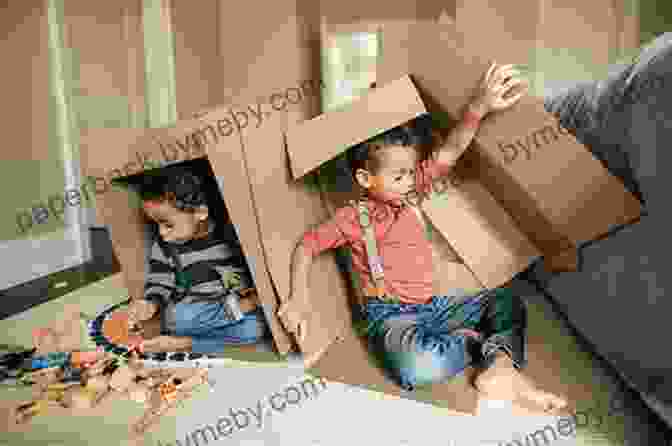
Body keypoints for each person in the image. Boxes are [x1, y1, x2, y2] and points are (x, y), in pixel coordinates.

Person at [278, 62, 567, 412]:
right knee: (416, 367)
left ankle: (499, 370)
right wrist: (298, 298)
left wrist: (479, 106)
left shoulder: (411, 193)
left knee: (506, 299)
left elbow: (450, 151)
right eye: (399, 176)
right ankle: (479, 347)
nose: (410, 182)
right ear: (366, 179)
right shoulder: (355, 217)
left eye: (411, 172)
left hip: (435, 307)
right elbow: (307, 245)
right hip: (392, 317)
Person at [125, 162, 269, 353]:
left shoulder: (229, 236)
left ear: (200, 212)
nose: (161, 233)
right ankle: (193, 338)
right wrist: (150, 303)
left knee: (255, 327)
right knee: (177, 317)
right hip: (196, 310)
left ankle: (185, 342)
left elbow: (251, 270)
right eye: (156, 224)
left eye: (167, 224)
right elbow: (161, 281)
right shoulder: (164, 247)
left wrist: (248, 296)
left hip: (235, 307)